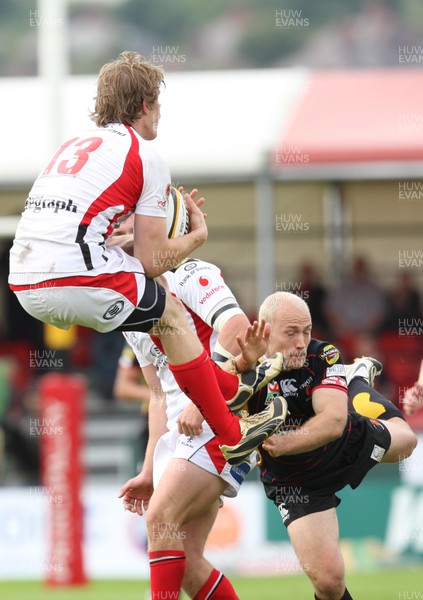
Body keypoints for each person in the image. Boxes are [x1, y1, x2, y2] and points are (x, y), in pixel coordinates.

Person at [8, 51, 286, 596]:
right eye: (158, 102)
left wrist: (243, 358)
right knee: (170, 314)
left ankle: (231, 416)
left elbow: (227, 340)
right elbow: (157, 262)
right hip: (82, 282)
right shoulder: (147, 160)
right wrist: (195, 237)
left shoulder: (72, 148)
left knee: (182, 553)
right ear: (143, 104)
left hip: (23, 281)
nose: (161, 114)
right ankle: (233, 423)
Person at [242, 292, 417, 600]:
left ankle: (356, 379)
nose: (301, 342)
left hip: (345, 443)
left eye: (307, 331)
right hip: (296, 482)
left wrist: (286, 442)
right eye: (292, 332)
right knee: (329, 583)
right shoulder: (243, 363)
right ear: (266, 330)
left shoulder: (323, 355)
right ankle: (355, 378)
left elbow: (334, 422)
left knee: (407, 442)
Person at [119, 257, 270, 599]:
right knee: (187, 564)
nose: (117, 234)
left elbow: (236, 328)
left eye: (128, 225)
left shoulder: (190, 274)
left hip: (216, 421)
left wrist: (202, 399)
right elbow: (157, 395)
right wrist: (147, 471)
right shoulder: (130, 308)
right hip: (178, 434)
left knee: (159, 519)